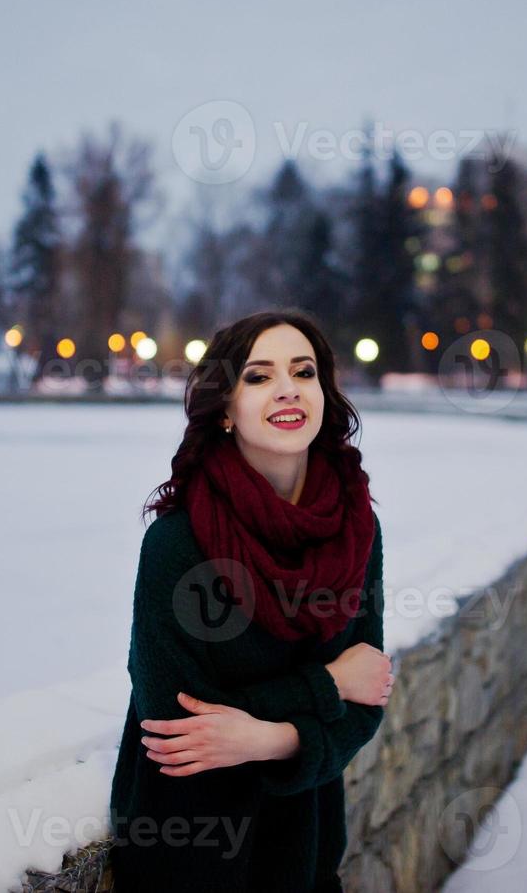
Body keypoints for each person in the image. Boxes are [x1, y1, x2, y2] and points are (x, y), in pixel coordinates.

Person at [107, 309, 395, 892]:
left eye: (304, 371)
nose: (288, 388)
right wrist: (327, 686)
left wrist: (270, 737)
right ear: (226, 411)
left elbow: (368, 699)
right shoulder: (178, 542)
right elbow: (171, 722)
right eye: (259, 376)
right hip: (190, 860)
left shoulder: (356, 531)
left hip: (307, 856)